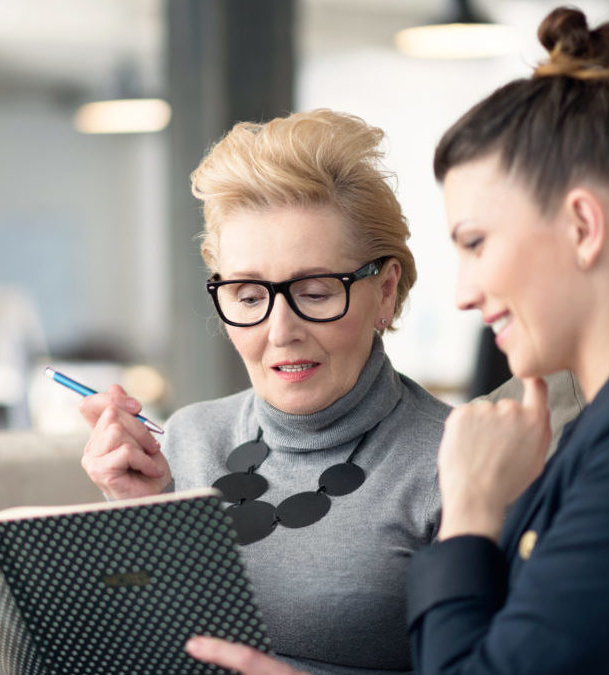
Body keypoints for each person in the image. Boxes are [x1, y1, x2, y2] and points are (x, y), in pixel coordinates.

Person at [188, 6, 609, 675]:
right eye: (249, 293)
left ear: (582, 226)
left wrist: (466, 508)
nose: (463, 291)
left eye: (476, 242)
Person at [80, 108, 453, 674]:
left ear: (385, 290)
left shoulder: (455, 464)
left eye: (317, 291)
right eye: (250, 297)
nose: (280, 332)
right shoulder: (185, 437)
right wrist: (139, 513)